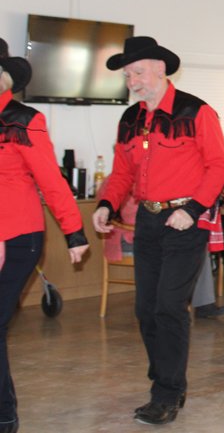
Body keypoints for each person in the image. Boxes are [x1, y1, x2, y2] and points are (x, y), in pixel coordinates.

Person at [92, 36, 224, 425]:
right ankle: (168, 376)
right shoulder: (131, 119)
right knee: (146, 310)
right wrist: (106, 204)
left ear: (159, 68)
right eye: (127, 75)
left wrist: (193, 209)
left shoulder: (196, 111)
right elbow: (122, 173)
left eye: (136, 73)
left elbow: (219, 167)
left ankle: (166, 392)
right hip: (148, 221)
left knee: (170, 307)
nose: (131, 82)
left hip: (185, 221)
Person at [0, 55, 89, 433]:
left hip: (17, 237)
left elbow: (50, 180)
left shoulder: (24, 120)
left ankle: (4, 414)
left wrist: (75, 232)